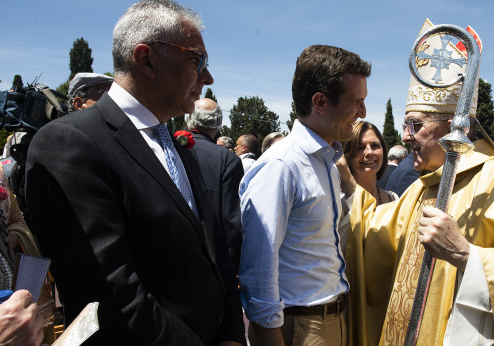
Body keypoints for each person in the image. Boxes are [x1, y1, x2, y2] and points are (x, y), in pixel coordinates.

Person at [24, 1, 244, 344]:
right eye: (196, 60)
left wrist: (230, 332)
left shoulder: (175, 145)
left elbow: (214, 249)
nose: (208, 77)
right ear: (146, 60)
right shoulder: (69, 142)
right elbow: (109, 293)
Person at [345, 18, 494, 345]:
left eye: (415, 125)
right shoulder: (423, 188)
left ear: (454, 126)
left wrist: (466, 254)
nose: (406, 136)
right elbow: (368, 234)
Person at [239, 44, 371, 346]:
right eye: (356, 102)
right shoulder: (281, 165)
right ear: (320, 102)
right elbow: (259, 267)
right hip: (297, 328)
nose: (363, 113)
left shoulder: (324, 161)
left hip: (328, 321)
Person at [187, 98, 244, 271]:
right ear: (219, 125)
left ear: (189, 120)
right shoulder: (227, 159)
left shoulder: (171, 147)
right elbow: (231, 220)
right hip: (213, 261)